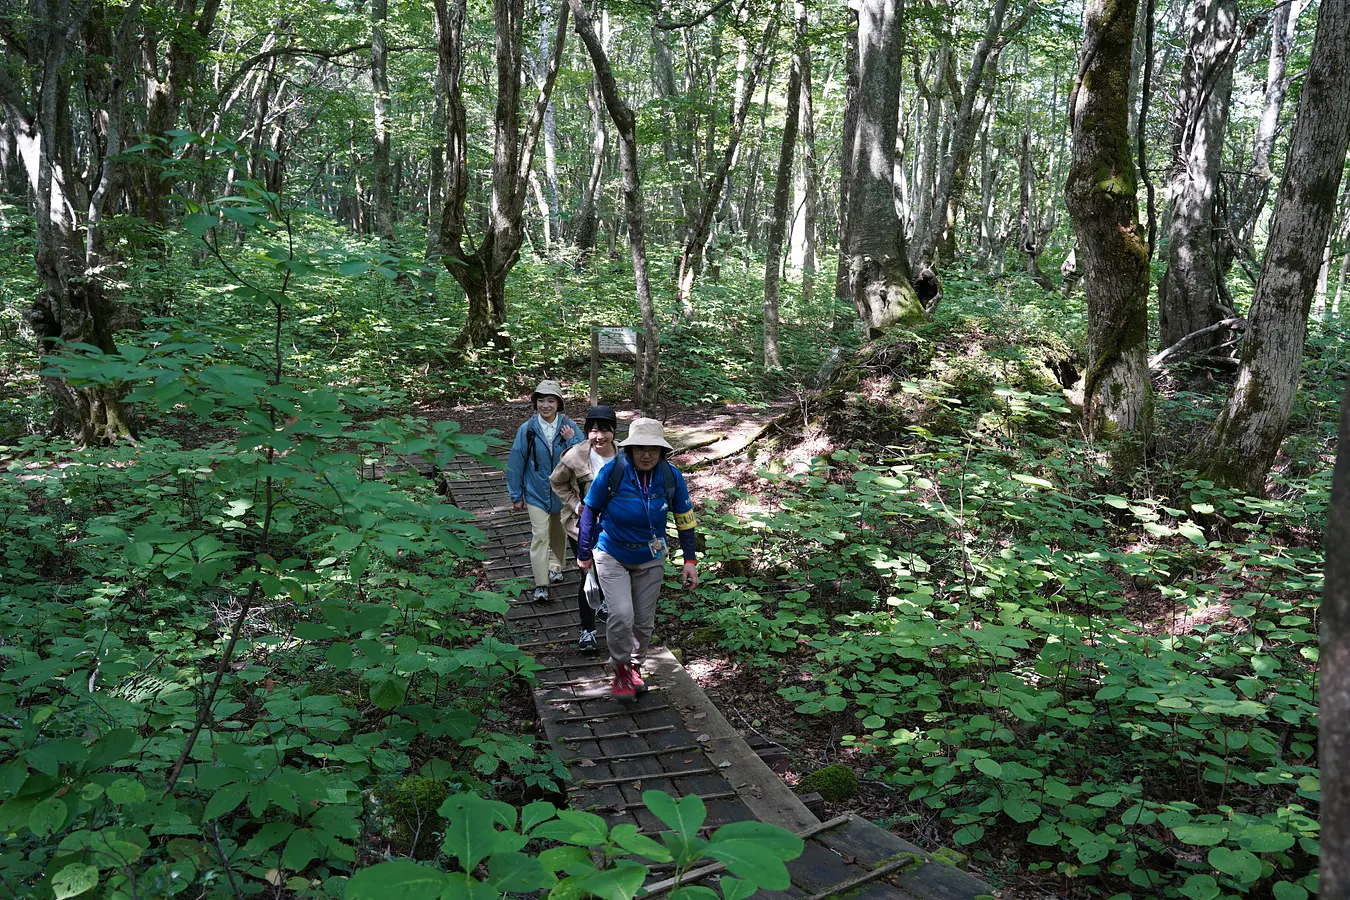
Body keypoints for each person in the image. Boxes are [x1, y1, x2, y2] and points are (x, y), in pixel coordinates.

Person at [576, 417, 699, 702]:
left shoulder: (671, 477)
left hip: (650, 555)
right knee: (621, 614)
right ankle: (620, 670)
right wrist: (584, 554)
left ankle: (634, 667)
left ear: (662, 452)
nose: (646, 455)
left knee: (643, 622)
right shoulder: (612, 473)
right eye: (640, 448)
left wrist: (689, 561)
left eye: (653, 449)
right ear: (629, 450)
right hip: (611, 552)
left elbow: (685, 520)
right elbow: (589, 511)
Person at [506, 381, 584, 603]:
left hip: (563, 492)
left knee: (559, 532)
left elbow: (584, 455)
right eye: (541, 400)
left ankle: (556, 567)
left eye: (551, 400)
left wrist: (573, 439)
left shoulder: (568, 426)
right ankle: (541, 584)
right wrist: (515, 494)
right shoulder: (528, 429)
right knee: (540, 535)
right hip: (535, 493)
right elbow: (516, 461)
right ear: (535, 403)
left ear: (559, 403)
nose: (546, 405)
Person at [550, 405, 619, 652]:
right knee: (587, 575)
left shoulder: (625, 456)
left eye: (604, 431)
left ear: (613, 431)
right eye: (592, 430)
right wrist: (575, 503)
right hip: (581, 527)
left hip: (615, 529)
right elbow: (557, 482)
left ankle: (606, 611)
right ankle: (587, 632)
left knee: (609, 575)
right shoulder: (575, 455)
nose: (598, 436)